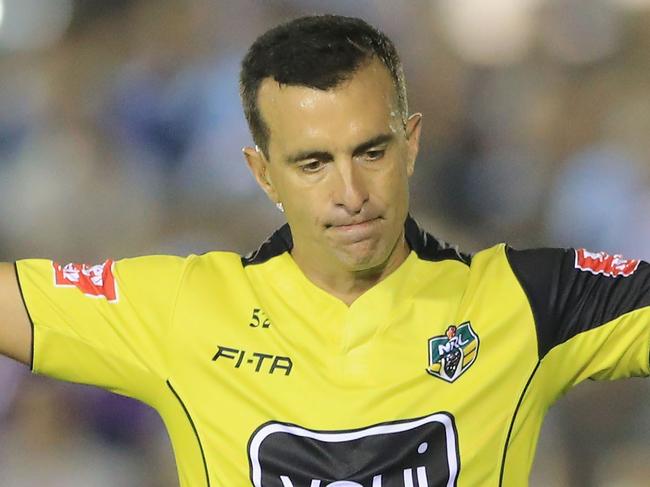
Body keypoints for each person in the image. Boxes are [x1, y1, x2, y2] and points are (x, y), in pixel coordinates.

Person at [0, 14, 648, 487]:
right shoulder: (186, 307)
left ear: (411, 142)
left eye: (372, 151)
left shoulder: (524, 299)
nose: (350, 192)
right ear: (263, 173)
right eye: (312, 163)